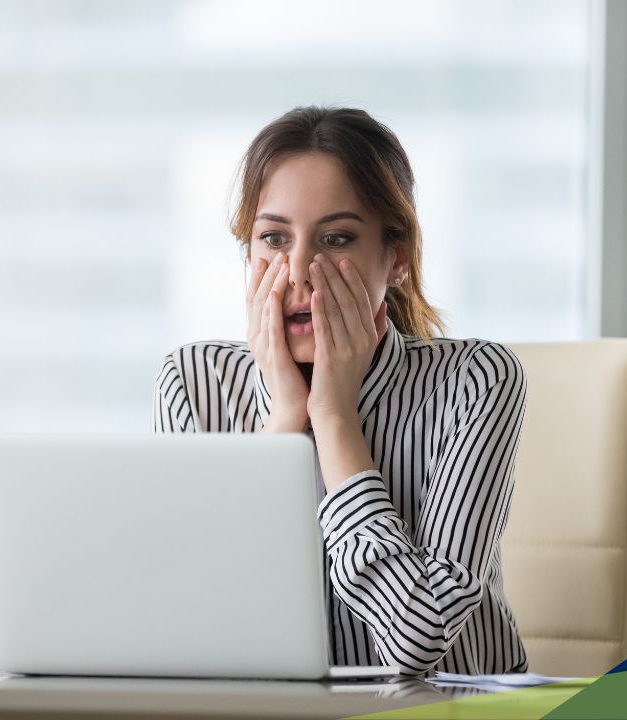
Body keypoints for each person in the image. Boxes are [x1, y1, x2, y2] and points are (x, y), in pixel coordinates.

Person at [151, 105, 529, 677]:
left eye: (335, 238)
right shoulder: (195, 383)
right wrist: (282, 422)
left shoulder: (475, 379)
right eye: (273, 238)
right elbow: (192, 625)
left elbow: (416, 641)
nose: (299, 270)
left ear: (395, 258)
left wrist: (332, 419)